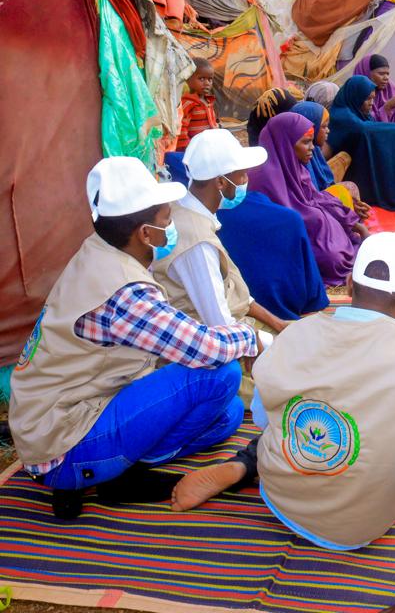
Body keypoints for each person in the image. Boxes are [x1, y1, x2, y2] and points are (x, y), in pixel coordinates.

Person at [170, 233, 395, 613]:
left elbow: (265, 416)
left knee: (286, 421)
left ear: (350, 284)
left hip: (282, 495)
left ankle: (244, 465)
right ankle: (248, 466)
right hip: (354, 527)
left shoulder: (297, 332)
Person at [8, 157, 258, 519]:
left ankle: (118, 462)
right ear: (145, 233)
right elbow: (208, 349)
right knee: (221, 374)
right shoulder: (125, 293)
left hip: (64, 413)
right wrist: (253, 339)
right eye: (167, 220)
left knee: (229, 414)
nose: (171, 227)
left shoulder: (97, 251)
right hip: (62, 444)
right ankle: (111, 473)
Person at [152, 129, 287, 354]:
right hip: (214, 347)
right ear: (221, 183)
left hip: (232, 329)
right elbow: (221, 326)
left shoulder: (184, 209)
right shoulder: (197, 244)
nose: (246, 182)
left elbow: (236, 294)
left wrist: (278, 323)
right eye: (242, 175)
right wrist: (273, 343)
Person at [248, 112, 365, 286]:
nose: (312, 148)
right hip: (293, 240)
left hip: (316, 232)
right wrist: (314, 217)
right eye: (305, 142)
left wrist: (354, 223)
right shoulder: (264, 176)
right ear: (285, 143)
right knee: (332, 259)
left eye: (311, 141)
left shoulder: (297, 167)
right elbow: (280, 223)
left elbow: (315, 197)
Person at [328, 76, 395, 211]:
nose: (371, 103)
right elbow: (367, 130)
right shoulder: (343, 115)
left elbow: (373, 126)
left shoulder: (358, 111)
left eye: (373, 98)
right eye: (367, 99)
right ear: (356, 96)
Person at [293, 101, 369, 217]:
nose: (328, 130)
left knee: (349, 189)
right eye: (323, 126)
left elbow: (325, 188)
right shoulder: (298, 161)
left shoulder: (314, 150)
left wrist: (349, 204)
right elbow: (309, 203)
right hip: (312, 214)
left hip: (321, 204)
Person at [354, 54, 395, 123]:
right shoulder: (355, 94)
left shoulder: (388, 87)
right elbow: (361, 125)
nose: (386, 78)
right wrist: (386, 108)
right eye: (381, 74)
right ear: (367, 72)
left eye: (387, 74)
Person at [177, 58, 218, 152]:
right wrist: (185, 148)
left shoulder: (208, 101)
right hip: (194, 150)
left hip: (209, 147)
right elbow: (182, 127)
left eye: (210, 79)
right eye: (202, 79)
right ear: (188, 80)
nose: (207, 83)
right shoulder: (187, 103)